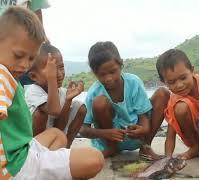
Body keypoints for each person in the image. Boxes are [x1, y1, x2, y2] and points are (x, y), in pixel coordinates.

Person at [0, 7, 104, 179]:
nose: (25, 65)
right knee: (95, 159)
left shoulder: (10, 75)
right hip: (15, 167)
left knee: (57, 135)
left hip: (21, 149)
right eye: (18, 55)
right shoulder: (2, 75)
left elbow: (56, 111)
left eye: (31, 58)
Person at [80, 41, 170, 160]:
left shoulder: (133, 82)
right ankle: (112, 148)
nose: (108, 78)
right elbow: (83, 130)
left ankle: (146, 147)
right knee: (99, 102)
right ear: (94, 73)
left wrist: (142, 129)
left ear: (121, 65)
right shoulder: (94, 92)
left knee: (163, 93)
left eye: (113, 71)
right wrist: (107, 133)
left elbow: (144, 117)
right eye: (102, 74)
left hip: (137, 137)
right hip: (109, 141)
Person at [25, 42, 86, 148]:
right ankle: (38, 152)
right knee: (40, 114)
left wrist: (67, 101)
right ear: (33, 76)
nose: (58, 74)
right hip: (35, 141)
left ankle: (66, 148)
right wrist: (51, 78)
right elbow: (54, 110)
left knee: (81, 108)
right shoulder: (33, 91)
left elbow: (59, 127)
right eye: (51, 70)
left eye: (61, 67)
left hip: (55, 136)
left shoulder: (62, 92)